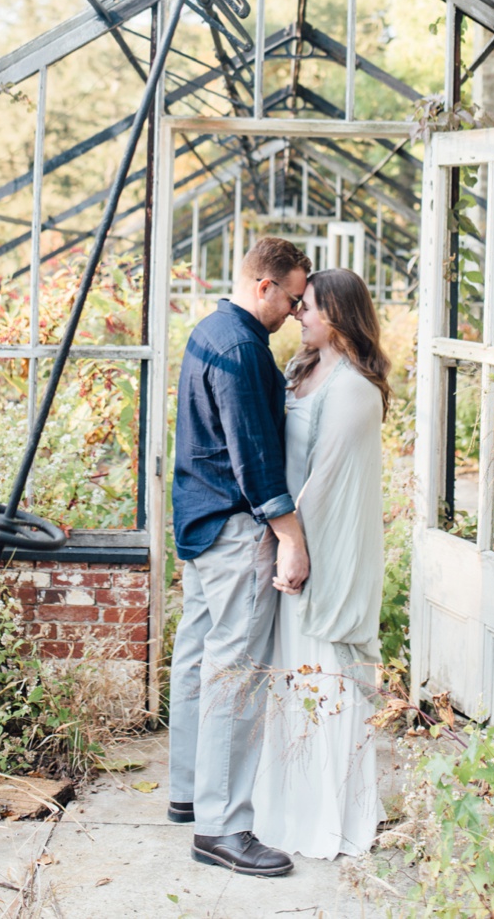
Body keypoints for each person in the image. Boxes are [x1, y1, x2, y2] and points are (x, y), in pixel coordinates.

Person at [167, 236, 313, 878]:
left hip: (198, 523)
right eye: (293, 297)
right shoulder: (244, 350)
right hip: (231, 532)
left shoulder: (210, 330)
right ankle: (222, 827)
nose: (295, 311)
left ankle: (189, 790)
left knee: (198, 657)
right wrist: (291, 536)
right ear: (265, 287)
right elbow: (255, 459)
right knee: (237, 670)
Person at [252, 266, 391, 860]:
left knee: (325, 674)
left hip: (323, 549)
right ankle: (289, 805)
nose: (297, 314)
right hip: (295, 543)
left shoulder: (355, 388)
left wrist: (294, 547)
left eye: (307, 306)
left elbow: (326, 482)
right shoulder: (303, 369)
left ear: (337, 315)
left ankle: (331, 812)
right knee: (291, 677)